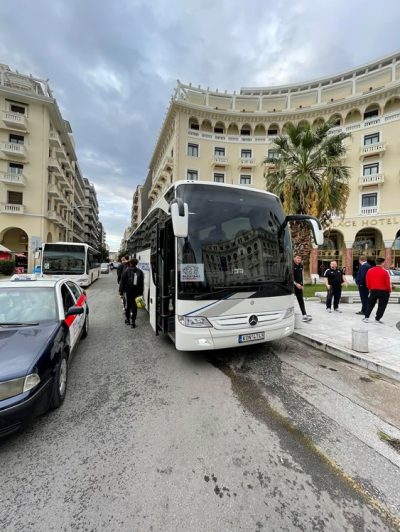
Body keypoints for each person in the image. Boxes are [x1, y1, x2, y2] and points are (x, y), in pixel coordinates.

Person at [362, 257, 391, 324]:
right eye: (384, 262)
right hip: (384, 291)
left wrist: (370, 288)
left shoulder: (369, 270)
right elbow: (387, 283)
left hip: (373, 290)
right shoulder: (385, 272)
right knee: (382, 306)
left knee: (370, 304)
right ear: (382, 263)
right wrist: (389, 290)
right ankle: (377, 319)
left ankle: (366, 317)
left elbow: (367, 281)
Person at [120, 258, 144, 328]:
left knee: (127, 305)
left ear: (130, 263)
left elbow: (122, 282)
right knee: (134, 306)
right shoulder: (140, 272)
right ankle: (133, 322)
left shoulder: (126, 271)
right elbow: (141, 283)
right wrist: (141, 292)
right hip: (136, 292)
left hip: (128, 291)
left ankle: (127, 320)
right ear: (136, 264)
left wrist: (121, 292)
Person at [293, 255, 312, 322]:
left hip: (299, 286)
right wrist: (295, 284)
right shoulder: (291, 265)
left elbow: (301, 276)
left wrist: (302, 285)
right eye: (297, 258)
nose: (299, 259)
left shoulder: (301, 266)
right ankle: (289, 316)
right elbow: (289, 277)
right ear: (294, 258)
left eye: (300, 258)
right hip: (292, 286)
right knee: (290, 302)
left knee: (301, 300)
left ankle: (304, 315)